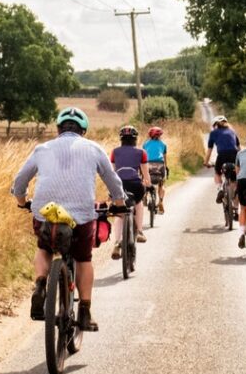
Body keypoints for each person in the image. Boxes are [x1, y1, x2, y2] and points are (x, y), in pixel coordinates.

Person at [11, 106, 126, 332]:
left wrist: (23, 201)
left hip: (46, 211)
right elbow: (112, 180)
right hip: (81, 214)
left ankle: (41, 283)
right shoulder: (94, 148)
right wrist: (119, 202)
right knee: (83, 258)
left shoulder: (42, 149)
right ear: (83, 130)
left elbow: (20, 181)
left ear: (58, 129)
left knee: (44, 247)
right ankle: (84, 311)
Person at [110, 125, 151, 258]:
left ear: (121, 139)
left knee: (119, 213)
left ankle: (117, 242)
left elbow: (112, 172)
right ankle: (139, 231)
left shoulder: (114, 152)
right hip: (135, 185)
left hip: (118, 185)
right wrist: (148, 184)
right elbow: (145, 173)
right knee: (138, 204)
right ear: (135, 139)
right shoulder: (141, 152)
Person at [205, 115, 240, 204]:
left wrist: (206, 162)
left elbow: (209, 150)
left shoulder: (213, 133)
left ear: (214, 125)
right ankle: (235, 206)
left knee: (217, 172)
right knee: (234, 179)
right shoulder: (232, 131)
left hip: (222, 155)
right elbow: (239, 149)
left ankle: (220, 188)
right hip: (234, 155)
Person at [142, 126, 169, 214]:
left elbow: (143, 157)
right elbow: (164, 158)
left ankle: (145, 196)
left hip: (148, 164)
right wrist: (166, 167)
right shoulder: (163, 144)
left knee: (145, 180)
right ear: (160, 135)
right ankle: (160, 201)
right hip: (160, 165)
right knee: (161, 185)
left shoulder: (145, 144)